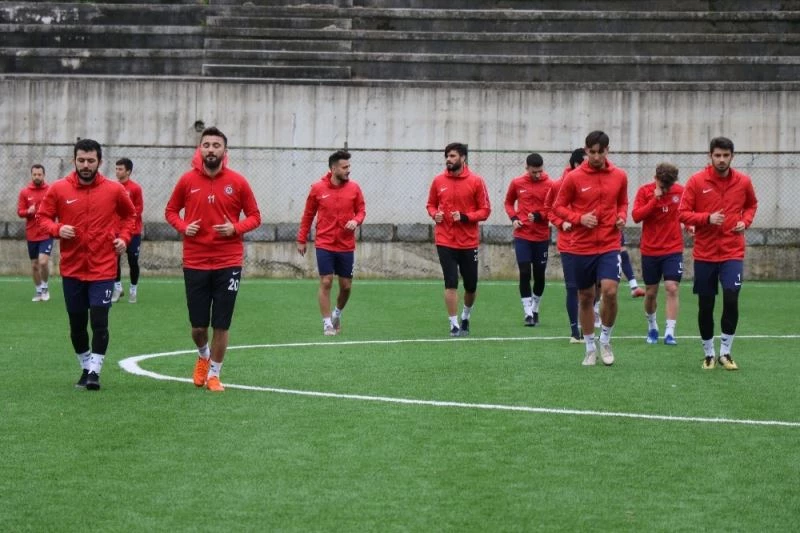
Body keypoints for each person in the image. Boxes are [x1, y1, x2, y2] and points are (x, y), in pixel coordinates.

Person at [165, 127, 261, 392]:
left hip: (228, 262)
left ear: (224, 151)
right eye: (206, 145)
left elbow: (255, 216)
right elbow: (171, 211)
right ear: (200, 149)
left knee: (221, 323)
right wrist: (184, 227)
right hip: (195, 261)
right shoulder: (186, 181)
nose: (210, 149)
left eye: (216, 145)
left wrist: (235, 228)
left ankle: (215, 375)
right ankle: (203, 355)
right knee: (198, 327)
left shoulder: (238, 182)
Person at [36, 139, 137, 390]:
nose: (85, 165)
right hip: (72, 269)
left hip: (103, 268)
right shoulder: (59, 189)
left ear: (99, 162)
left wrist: (124, 239)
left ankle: (94, 372)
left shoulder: (114, 190)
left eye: (91, 161)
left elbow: (130, 216)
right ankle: (85, 366)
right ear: (74, 160)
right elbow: (42, 217)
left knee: (100, 321)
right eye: (81, 160)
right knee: (77, 325)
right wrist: (58, 229)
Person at [679, 137, 757, 370]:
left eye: (725, 155)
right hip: (705, 254)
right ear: (710, 156)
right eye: (717, 155)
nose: (721, 160)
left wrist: (745, 221)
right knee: (706, 304)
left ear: (732, 156)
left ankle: (725, 352)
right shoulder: (696, 181)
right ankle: (708, 353)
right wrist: (707, 218)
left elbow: (751, 205)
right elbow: (682, 213)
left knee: (731, 297)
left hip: (733, 251)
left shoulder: (743, 181)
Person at [553, 131, 628, 366]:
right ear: (586, 151)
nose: (596, 157)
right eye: (592, 152)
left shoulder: (619, 176)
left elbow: (623, 202)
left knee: (610, 292)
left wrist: (621, 216)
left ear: (607, 151)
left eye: (600, 152)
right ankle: (589, 348)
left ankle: (605, 340)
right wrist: (579, 218)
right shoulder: (573, 177)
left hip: (609, 243)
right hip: (581, 246)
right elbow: (558, 207)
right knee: (585, 297)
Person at [297, 150, 366, 336]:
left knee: (346, 286)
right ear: (333, 169)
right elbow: (308, 215)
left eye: (349, 166)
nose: (348, 170)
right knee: (326, 281)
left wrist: (356, 220)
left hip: (346, 245)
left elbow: (361, 210)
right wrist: (301, 239)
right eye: (344, 167)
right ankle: (327, 323)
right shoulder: (317, 188)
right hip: (324, 243)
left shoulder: (354, 188)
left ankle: (337, 314)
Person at [426, 142, 491, 337]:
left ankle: (465, 316)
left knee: (471, 286)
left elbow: (485, 211)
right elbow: (430, 205)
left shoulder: (476, 181)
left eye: (453, 156)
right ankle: (454, 324)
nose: (448, 159)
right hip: (445, 240)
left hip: (468, 242)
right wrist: (435, 214)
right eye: (447, 156)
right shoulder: (438, 181)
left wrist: (465, 217)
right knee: (451, 282)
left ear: (463, 158)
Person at [632, 163, 685, 346]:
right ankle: (652, 326)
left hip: (673, 249)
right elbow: (636, 216)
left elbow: (687, 213)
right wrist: (654, 200)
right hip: (650, 250)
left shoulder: (680, 192)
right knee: (651, 292)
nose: (666, 189)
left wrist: (691, 225)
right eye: (663, 185)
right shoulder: (644, 191)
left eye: (669, 185)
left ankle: (670, 332)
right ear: (655, 178)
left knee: (672, 287)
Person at [504, 152, 553, 326]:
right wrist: (513, 218)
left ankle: (535, 308)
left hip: (541, 236)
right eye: (534, 172)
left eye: (540, 171)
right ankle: (528, 313)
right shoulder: (517, 183)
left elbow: (554, 208)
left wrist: (540, 216)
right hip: (522, 235)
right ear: (527, 168)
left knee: (539, 275)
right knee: (525, 272)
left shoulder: (550, 185)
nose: (538, 175)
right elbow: (508, 203)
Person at [545, 148, 586, 343]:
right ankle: (575, 331)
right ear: (576, 164)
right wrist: (562, 223)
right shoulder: (558, 185)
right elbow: (549, 210)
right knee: (572, 287)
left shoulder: (594, 183)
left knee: (594, 287)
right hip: (569, 243)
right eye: (586, 162)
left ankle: (591, 321)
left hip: (592, 244)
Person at [17, 164, 53, 302]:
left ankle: (45, 287)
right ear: (31, 175)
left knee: (43, 262)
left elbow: (56, 208)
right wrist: (28, 211)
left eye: (39, 174)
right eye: (35, 174)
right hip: (32, 234)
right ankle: (38, 291)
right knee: (34, 265)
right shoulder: (25, 192)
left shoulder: (50, 190)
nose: (37, 177)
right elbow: (20, 212)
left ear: (44, 175)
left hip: (46, 232)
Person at [111, 158, 144, 304]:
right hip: (115, 231)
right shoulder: (113, 187)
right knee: (114, 260)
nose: (117, 171)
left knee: (133, 261)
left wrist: (126, 216)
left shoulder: (135, 188)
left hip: (133, 231)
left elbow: (139, 209)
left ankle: (133, 290)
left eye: (120, 169)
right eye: (116, 169)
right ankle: (118, 288)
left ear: (128, 171)